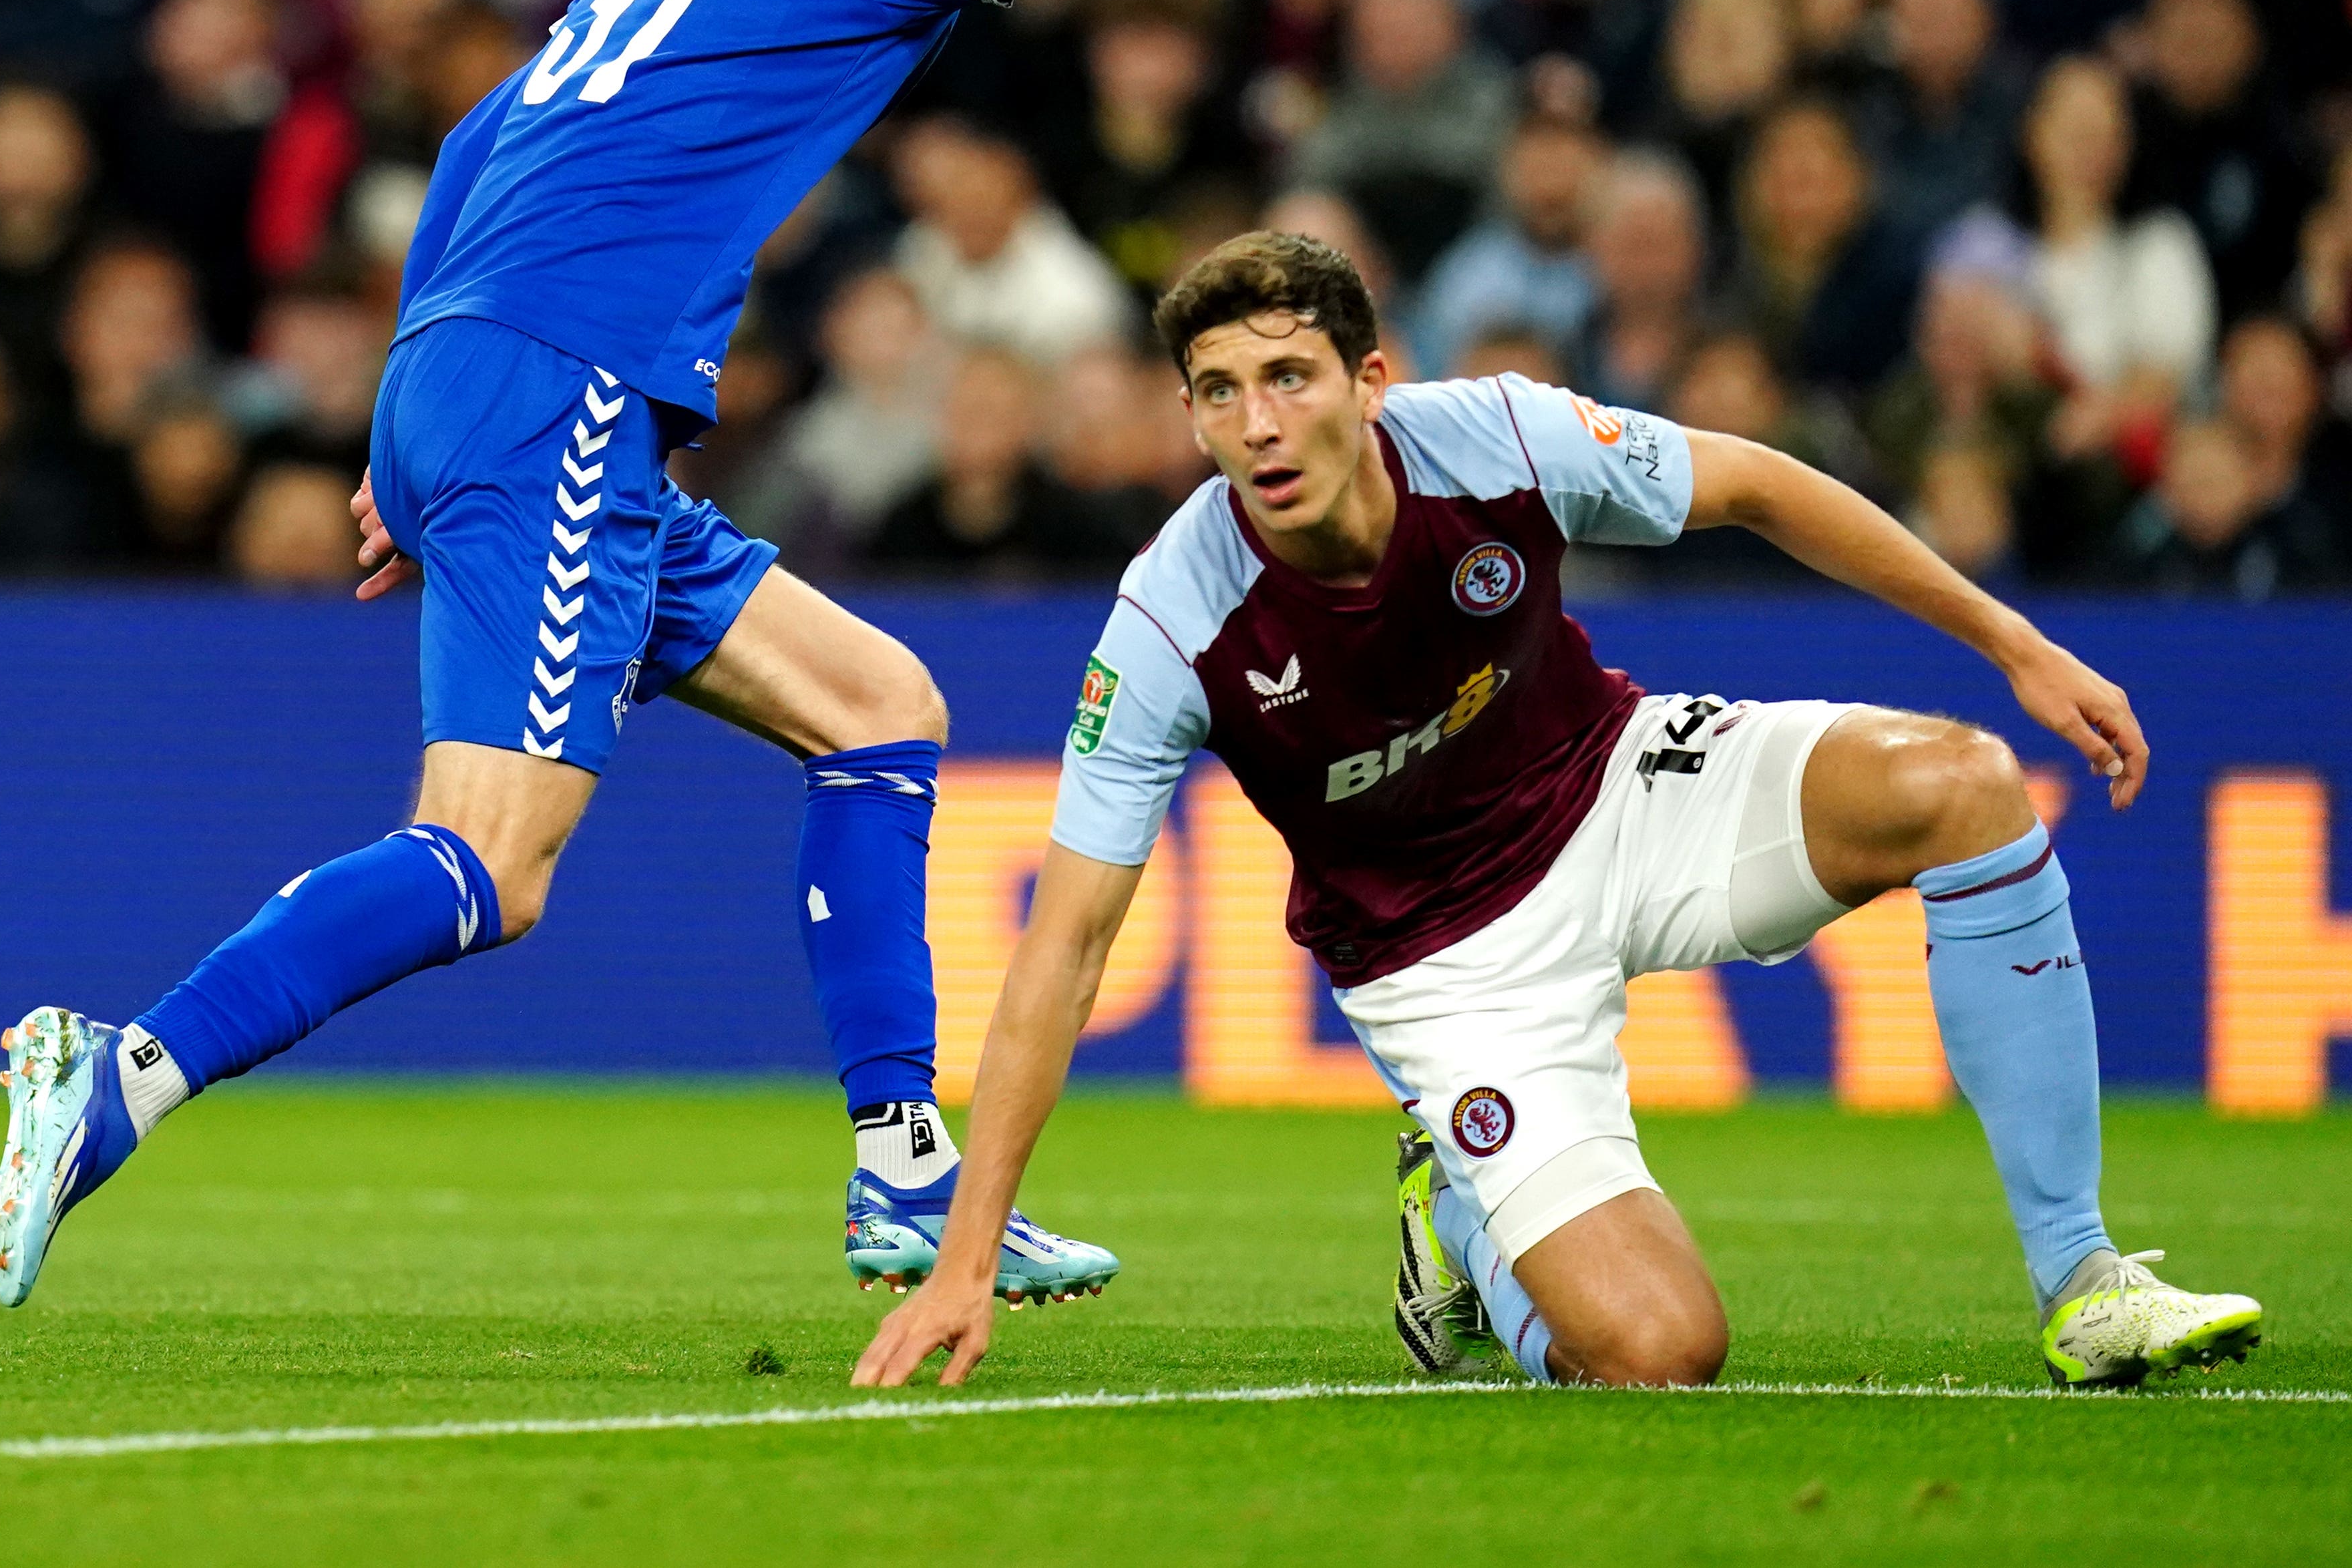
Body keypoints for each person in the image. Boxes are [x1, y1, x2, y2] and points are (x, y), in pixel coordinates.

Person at [0, 0, 1545, 1308]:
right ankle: (119, 1067)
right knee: (488, 862)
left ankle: (901, 1173)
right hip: (559, 380)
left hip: (497, 369)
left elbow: (469, 140)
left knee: (878, 706)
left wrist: (408, 410)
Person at [852, 230, 2263, 1394]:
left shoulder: (1497, 436)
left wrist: (2010, 642)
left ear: (1368, 379)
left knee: (1963, 782)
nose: (1258, 424)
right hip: (1446, 968)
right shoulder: (1171, 616)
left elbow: (1758, 485)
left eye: (1288, 376)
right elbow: (1064, 945)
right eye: (1217, 392)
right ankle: (1459, 1219)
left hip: (1618, 787)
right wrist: (969, 1253)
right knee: (1655, 1355)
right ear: (1189, 415)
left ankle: (2083, 1278)